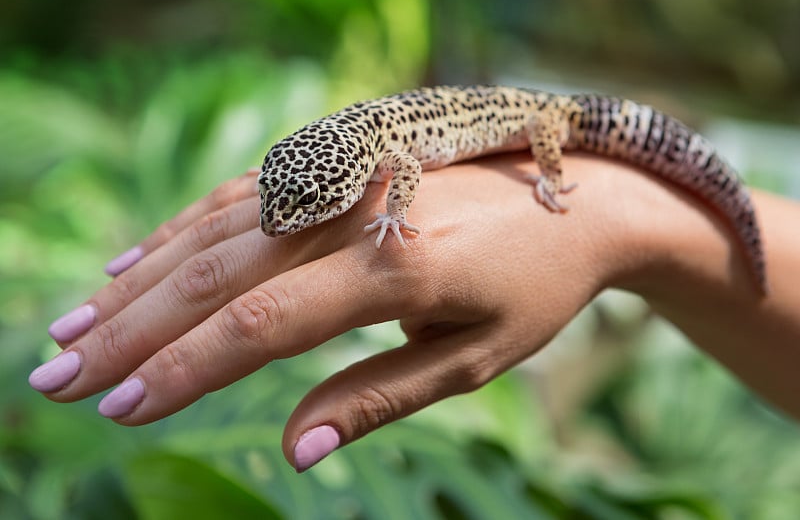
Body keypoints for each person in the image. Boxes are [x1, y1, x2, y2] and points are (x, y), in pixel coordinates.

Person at [27, 152, 800, 472]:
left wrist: (590, 203)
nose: (287, 218)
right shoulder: (350, 151)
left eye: (306, 202)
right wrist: (619, 218)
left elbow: (397, 174)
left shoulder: (385, 165)